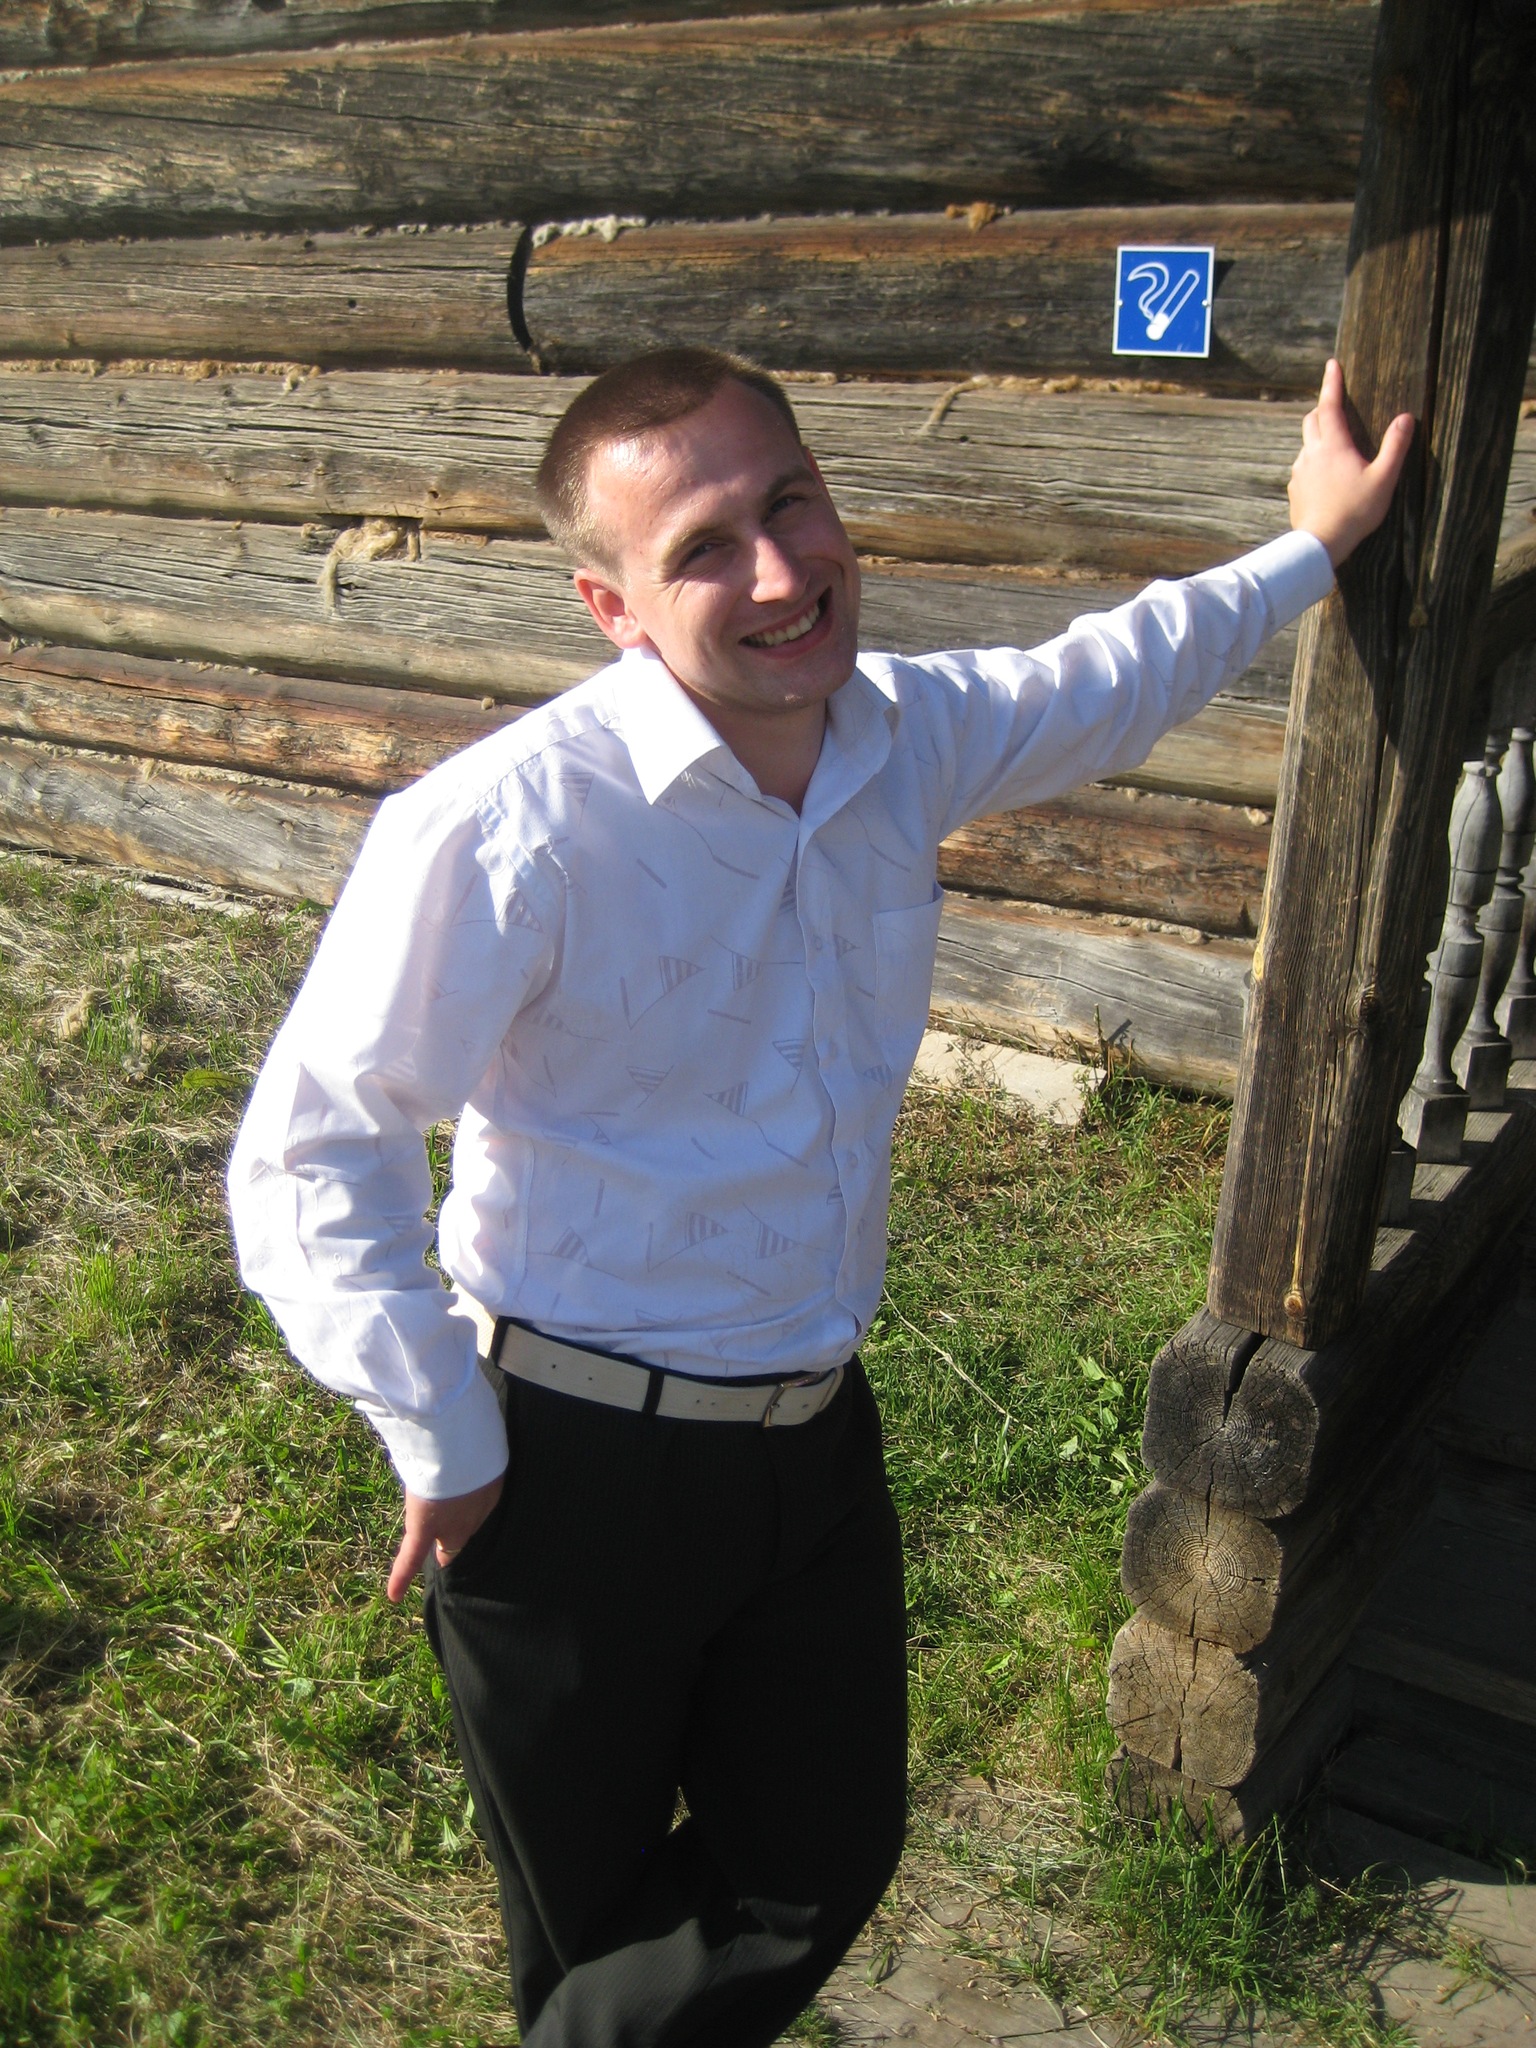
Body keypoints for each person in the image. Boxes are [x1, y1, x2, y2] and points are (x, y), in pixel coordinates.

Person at [227, 347, 1412, 2047]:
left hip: (812, 1434)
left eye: (791, 503)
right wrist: (442, 1432)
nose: (781, 573)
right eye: (704, 547)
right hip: (568, 1464)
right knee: (591, 1922)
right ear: (613, 606)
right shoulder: (508, 827)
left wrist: (1312, 547)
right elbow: (316, 1141)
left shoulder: (901, 738)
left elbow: (1115, 671)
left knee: (819, 1854)